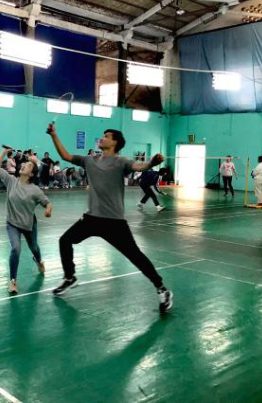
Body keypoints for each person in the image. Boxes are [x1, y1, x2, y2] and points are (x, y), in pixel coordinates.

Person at [47, 124, 173, 313]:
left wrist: (152, 163)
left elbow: (140, 166)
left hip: (114, 222)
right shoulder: (89, 160)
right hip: (91, 218)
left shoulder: (121, 162)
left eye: (107, 136)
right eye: (103, 135)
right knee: (64, 240)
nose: (102, 138)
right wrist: (54, 135)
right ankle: (70, 277)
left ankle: (162, 289)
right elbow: (65, 156)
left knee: (136, 256)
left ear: (115, 143)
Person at [0, 147, 52, 294]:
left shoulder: (35, 190)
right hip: (12, 223)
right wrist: (4, 153)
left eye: (28, 165)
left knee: (34, 247)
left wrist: (48, 210)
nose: (24, 165)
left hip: (28, 224)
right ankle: (13, 281)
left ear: (31, 173)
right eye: (24, 163)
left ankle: (39, 261)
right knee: (16, 249)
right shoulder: (11, 181)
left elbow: (47, 202)